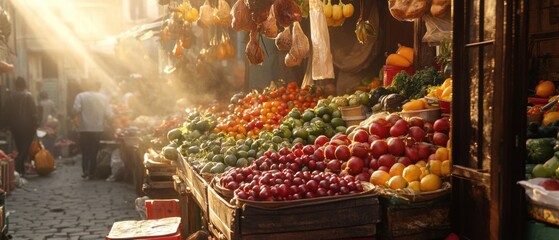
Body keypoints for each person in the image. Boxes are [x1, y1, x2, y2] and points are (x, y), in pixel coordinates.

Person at [73, 80, 113, 180]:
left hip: (84, 129)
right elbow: (109, 114)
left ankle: (85, 170)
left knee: (85, 150)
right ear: (98, 87)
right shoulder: (103, 98)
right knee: (94, 150)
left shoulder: (81, 96)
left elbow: (75, 110)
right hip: (97, 128)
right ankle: (91, 172)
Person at [5, 77, 39, 175]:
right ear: (24, 84)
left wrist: (7, 126)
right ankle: (18, 164)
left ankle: (20, 169)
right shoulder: (29, 95)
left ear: (16, 85)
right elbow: (34, 112)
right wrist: (36, 124)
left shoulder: (10, 97)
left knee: (20, 147)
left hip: (15, 127)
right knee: (25, 147)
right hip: (27, 126)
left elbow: (6, 112)